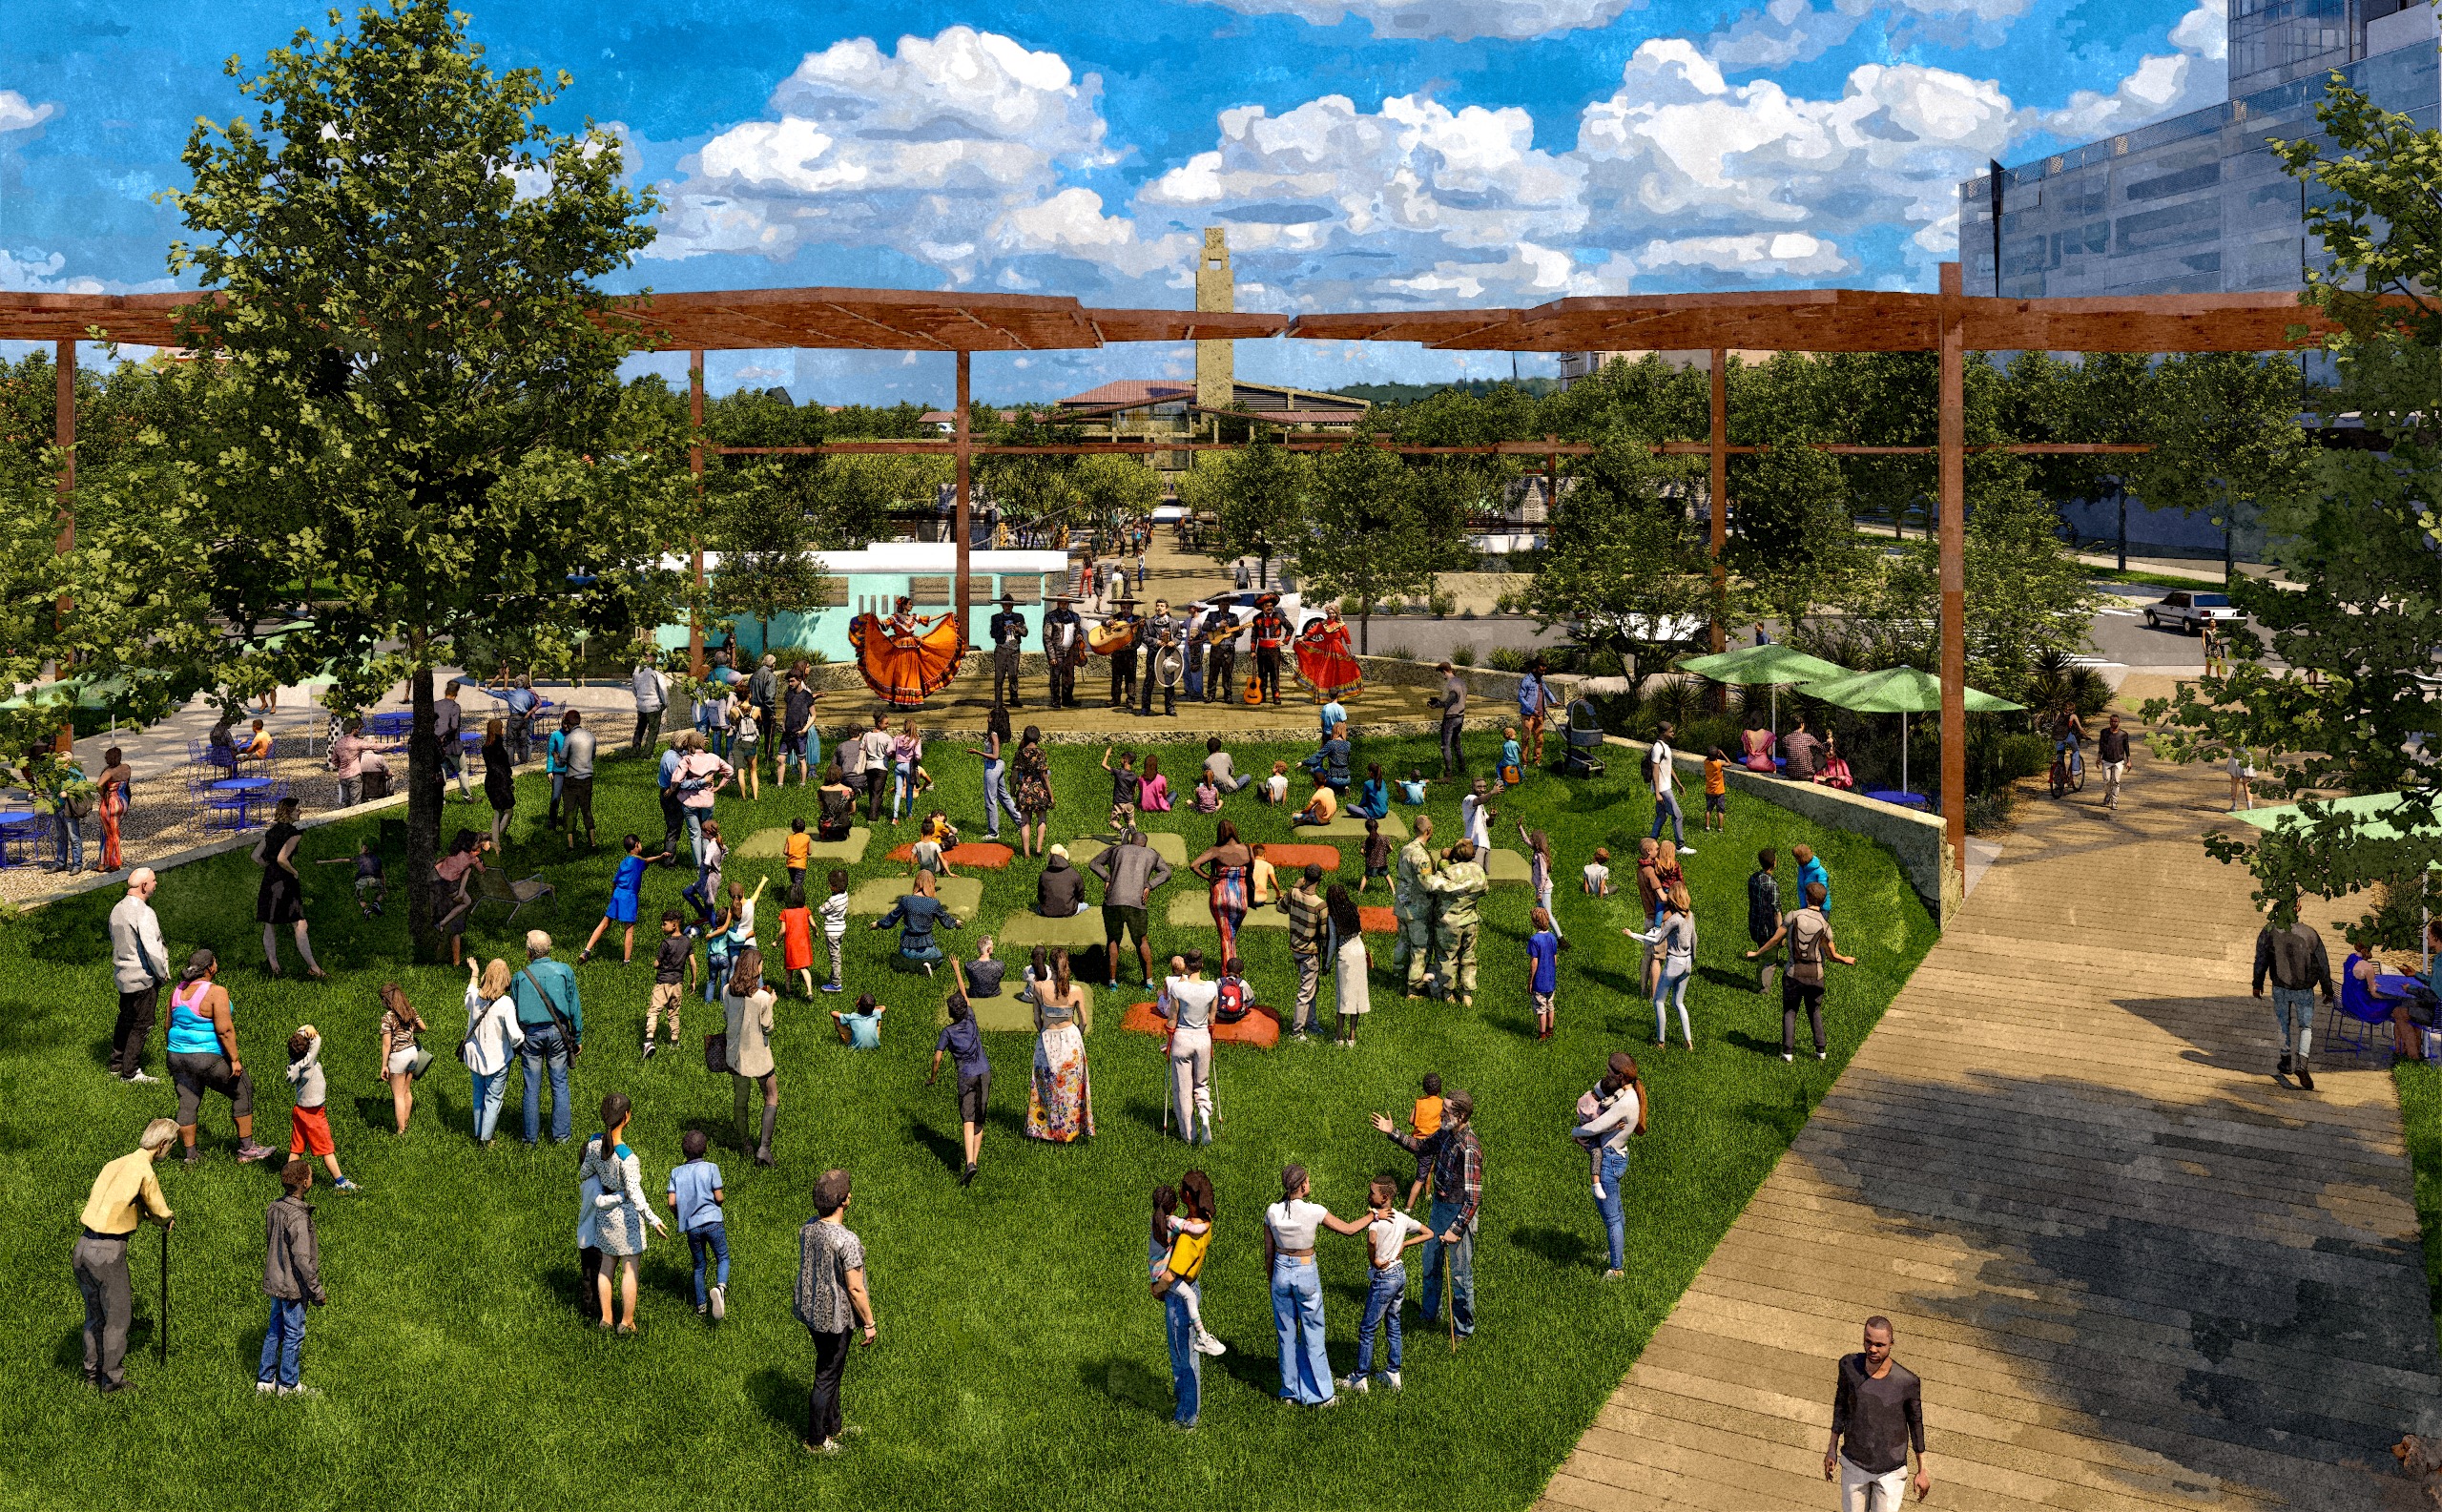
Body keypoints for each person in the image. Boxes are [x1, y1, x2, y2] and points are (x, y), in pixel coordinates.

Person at [73, 1118, 178, 1392]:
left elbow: (116, 1201)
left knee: (94, 1315)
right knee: (118, 1319)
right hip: (108, 1252)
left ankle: (91, 1376)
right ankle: (112, 1381)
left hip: (83, 1246)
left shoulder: (115, 1163)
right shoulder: (145, 1171)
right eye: (172, 1146)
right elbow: (160, 1210)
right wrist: (166, 1219)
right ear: (163, 1145)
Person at [1372, 1087, 1481, 1338]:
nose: (1441, 1113)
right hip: (1439, 1208)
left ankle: (1463, 1329)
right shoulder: (1444, 1133)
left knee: (1460, 1275)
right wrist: (1393, 1132)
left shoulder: (1470, 1148)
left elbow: (1474, 1198)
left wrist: (1456, 1230)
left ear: (1461, 1115)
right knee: (1430, 1263)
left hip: (1458, 1212)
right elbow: (1421, 1147)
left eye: (1446, 1110)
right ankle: (1430, 1314)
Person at [1262, 1164, 1368, 1406]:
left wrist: (1272, 1282)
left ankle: (1289, 1391)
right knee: (1313, 1332)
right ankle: (1320, 1395)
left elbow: (1268, 1253)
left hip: (1280, 1271)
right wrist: (1372, 1216)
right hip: (1305, 1270)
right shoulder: (1315, 1211)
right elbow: (1349, 1230)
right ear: (1303, 1186)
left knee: (1286, 1334)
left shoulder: (1272, 1211)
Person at [165, 949, 277, 1165]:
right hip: (205, 1057)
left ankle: (191, 1157)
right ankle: (247, 1150)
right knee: (242, 1089)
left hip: (176, 1055)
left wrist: (176, 1053)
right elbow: (225, 1030)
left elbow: (168, 1025)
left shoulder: (177, 991)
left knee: (188, 1102)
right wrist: (234, 1059)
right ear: (209, 968)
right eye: (215, 961)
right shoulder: (216, 992)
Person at [795, 1168, 877, 1454]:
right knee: (827, 1375)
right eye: (848, 1192)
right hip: (835, 1319)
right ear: (844, 1201)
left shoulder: (808, 1227)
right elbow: (855, 1289)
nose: (851, 1194)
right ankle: (817, 1441)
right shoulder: (848, 1240)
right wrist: (869, 1323)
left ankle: (835, 1426)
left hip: (811, 1312)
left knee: (832, 1369)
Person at [1825, 1315, 1932, 1507]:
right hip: (1854, 1465)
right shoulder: (1848, 1366)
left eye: (1880, 1344)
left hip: (1890, 1472)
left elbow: (1916, 1424)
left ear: (1891, 1343)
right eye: (1868, 1342)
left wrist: (1922, 1469)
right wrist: (1831, 1449)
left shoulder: (1907, 1382)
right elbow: (1840, 1406)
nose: (1872, 1349)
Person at [582, 1091, 666, 1333]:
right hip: (627, 1219)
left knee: (606, 1267)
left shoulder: (594, 1143)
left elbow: (585, 1171)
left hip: (605, 1216)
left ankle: (606, 1319)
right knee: (629, 1268)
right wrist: (653, 1219)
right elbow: (634, 1192)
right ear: (627, 1117)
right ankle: (626, 1322)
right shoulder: (628, 1158)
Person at [1746, 880, 1855, 1062]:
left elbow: (1774, 940)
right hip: (1816, 976)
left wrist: (1757, 953)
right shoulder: (1825, 927)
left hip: (1793, 974)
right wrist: (1846, 960)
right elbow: (1832, 955)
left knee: (1790, 1011)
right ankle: (1821, 1050)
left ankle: (1787, 1053)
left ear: (1807, 898)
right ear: (1822, 901)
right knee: (1814, 1011)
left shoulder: (1793, 916)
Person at [1342, 1174, 1429, 1394]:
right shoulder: (1401, 1218)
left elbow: (1371, 1241)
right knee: (1394, 1323)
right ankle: (1393, 1373)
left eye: (1372, 1192)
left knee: (1367, 1328)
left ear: (1385, 1197)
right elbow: (1428, 1233)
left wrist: (1374, 1260)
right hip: (1400, 1274)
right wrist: (1405, 1244)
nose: (1368, 1195)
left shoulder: (1376, 1220)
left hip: (1384, 1278)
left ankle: (1360, 1378)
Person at [257, 1158, 329, 1396]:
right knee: (294, 1333)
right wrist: (316, 1291)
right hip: (293, 1287)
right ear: (305, 1183)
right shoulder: (299, 1217)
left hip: (275, 1279)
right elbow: (301, 1260)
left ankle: (265, 1381)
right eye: (310, 1175)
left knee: (274, 1329)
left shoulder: (274, 1207)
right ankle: (288, 1384)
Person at [1572, 1052, 1646, 1278]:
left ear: (1621, 1076)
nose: (1606, 1076)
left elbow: (1595, 1127)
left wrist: (1575, 1132)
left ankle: (1616, 1269)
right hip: (1618, 1156)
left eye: (1609, 1072)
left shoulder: (1625, 1102)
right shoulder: (1627, 1093)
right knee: (1618, 1211)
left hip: (1608, 1161)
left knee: (1611, 1218)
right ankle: (1617, 1252)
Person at [511, 930, 583, 1145]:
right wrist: (576, 1037)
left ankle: (529, 1139)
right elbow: (575, 1006)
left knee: (531, 1087)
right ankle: (561, 1137)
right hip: (558, 1032)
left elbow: (513, 1010)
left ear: (529, 953)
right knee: (560, 1084)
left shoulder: (520, 976)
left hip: (530, 1035)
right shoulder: (564, 971)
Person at [2253, 905, 2332, 1089]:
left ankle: (2285, 1060)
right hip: (2304, 988)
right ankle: (2302, 1064)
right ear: (2297, 909)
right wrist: (2327, 988)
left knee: (2283, 1022)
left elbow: (2261, 959)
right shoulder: (2310, 933)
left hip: (2280, 985)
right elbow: (2322, 964)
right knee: (2306, 1027)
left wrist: (2257, 983)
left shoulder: (2269, 931)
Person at [1088, 824, 1173, 990]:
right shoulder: (1152, 854)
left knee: (1113, 939)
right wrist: (1149, 885)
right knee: (1142, 941)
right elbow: (1166, 872)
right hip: (1137, 903)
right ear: (1144, 844)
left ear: (1130, 841)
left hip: (1113, 901)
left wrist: (1107, 877)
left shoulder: (1116, 849)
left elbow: (1094, 863)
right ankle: (1148, 982)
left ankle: (1112, 982)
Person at [251, 798, 325, 981]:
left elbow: (255, 856)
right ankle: (313, 967)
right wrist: (295, 872)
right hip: (285, 882)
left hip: (269, 880)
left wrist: (266, 866)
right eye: (298, 810)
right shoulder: (294, 833)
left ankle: (274, 966)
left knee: (269, 924)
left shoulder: (271, 832)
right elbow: (282, 859)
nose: (300, 812)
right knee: (300, 923)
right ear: (289, 812)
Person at [1150, 1175, 1224, 1359]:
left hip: (1178, 1297)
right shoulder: (1203, 1219)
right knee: (1190, 1361)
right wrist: (1207, 1223)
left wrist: (1156, 1290)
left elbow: (1169, 1277)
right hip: (1192, 1283)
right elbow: (1193, 1226)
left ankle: (1204, 1337)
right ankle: (1203, 1338)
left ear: (1188, 1195)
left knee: (1183, 1364)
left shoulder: (1185, 1238)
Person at [925, 990, 994, 1184]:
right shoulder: (971, 1018)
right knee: (979, 1119)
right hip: (984, 1074)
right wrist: (957, 970)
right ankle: (974, 1161)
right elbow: (965, 993)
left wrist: (933, 1078)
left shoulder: (948, 1032)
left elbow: (937, 1057)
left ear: (950, 1013)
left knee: (967, 1119)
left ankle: (970, 1162)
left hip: (966, 1077)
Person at [108, 868, 169, 1085]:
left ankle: (116, 1064)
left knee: (125, 1020)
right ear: (144, 886)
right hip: (142, 977)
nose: (155, 884)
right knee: (142, 1024)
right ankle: (130, 1072)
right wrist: (162, 973)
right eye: (153, 881)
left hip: (123, 975)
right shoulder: (144, 913)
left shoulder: (117, 909)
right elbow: (152, 949)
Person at [668, 1128, 730, 1321]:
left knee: (699, 1265)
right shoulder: (711, 1168)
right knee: (722, 1257)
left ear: (684, 1151)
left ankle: (701, 1306)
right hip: (713, 1221)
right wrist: (717, 1201)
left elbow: (671, 1202)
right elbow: (719, 1198)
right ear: (705, 1149)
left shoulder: (676, 1172)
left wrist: (680, 1215)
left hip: (692, 1226)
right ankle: (720, 1288)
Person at [727, 947, 781, 1166]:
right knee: (771, 1096)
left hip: (735, 1056)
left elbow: (726, 1015)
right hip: (758, 1056)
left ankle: (745, 1143)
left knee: (741, 1101)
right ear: (755, 969)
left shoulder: (725, 991)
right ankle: (764, 1149)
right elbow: (768, 1028)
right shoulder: (762, 998)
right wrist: (772, 1002)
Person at [579, 834, 671, 965]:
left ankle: (586, 951)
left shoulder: (624, 861)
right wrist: (661, 857)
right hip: (629, 897)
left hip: (617, 894)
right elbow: (647, 860)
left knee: (604, 923)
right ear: (637, 845)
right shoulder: (638, 861)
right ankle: (626, 961)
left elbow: (614, 881)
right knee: (629, 929)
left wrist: (612, 896)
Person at [1627, 883, 1698, 1050]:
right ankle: (1688, 1041)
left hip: (1674, 963)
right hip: (1687, 964)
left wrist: (1633, 935)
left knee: (1659, 1001)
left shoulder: (1674, 919)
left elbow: (1656, 940)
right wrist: (1692, 959)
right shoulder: (1690, 916)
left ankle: (1660, 1042)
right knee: (1679, 1003)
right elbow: (1694, 939)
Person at [462, 958, 524, 1146]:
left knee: (478, 1096)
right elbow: (514, 1036)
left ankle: (477, 1132)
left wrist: (474, 972)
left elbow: (469, 992)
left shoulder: (475, 998)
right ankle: (485, 1139)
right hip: (498, 1060)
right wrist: (524, 1039)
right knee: (493, 1099)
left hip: (474, 1058)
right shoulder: (505, 1003)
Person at [1160, 951, 1218, 1145]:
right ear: (1202, 965)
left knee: (1183, 1090)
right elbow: (1212, 1019)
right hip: (1202, 1038)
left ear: (1186, 966)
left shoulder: (1178, 989)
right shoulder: (1212, 988)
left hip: (1182, 1039)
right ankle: (1204, 1112)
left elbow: (1172, 1020)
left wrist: (1168, 1044)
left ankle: (1188, 1136)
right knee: (1202, 1084)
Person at [1425, 838, 1490, 1007]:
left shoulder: (1450, 872)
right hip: (1470, 922)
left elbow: (1432, 885)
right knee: (1468, 957)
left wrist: (1442, 865)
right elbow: (1485, 889)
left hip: (1449, 924)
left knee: (1447, 958)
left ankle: (1448, 993)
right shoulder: (1479, 871)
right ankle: (1467, 994)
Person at [871, 869, 960, 976]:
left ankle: (909, 963)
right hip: (927, 950)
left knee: (905, 956)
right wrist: (955, 922)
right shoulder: (934, 903)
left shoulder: (906, 900)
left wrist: (878, 923)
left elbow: (892, 918)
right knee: (939, 957)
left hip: (906, 949)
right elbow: (946, 921)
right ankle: (926, 964)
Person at [1394, 817, 1438, 999]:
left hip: (1402, 905)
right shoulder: (1421, 856)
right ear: (1429, 831)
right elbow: (1426, 884)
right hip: (1417, 909)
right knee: (1420, 948)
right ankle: (1414, 987)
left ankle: (1398, 976)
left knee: (1403, 942)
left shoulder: (1406, 849)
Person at [375, 983, 427, 1134]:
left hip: (398, 1056)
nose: (382, 1003)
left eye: (382, 1000)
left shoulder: (388, 1017)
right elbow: (423, 1027)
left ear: (388, 1000)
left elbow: (386, 1044)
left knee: (397, 1095)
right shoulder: (410, 1011)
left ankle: (401, 1130)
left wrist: (384, 1065)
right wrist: (411, 1030)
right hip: (413, 1053)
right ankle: (405, 1122)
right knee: (406, 1091)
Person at [1327, 884, 1372, 1048]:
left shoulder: (1333, 915)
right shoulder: (1353, 907)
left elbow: (1332, 942)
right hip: (1359, 951)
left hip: (1345, 954)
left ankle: (1339, 1037)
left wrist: (1327, 964)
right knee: (1357, 996)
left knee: (1343, 997)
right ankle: (1352, 1037)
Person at [970, 707, 1024, 842]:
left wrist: (977, 752)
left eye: (989, 716)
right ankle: (1020, 822)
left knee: (990, 800)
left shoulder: (993, 734)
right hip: (999, 766)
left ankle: (993, 833)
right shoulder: (997, 733)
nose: (987, 718)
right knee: (1003, 796)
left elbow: (995, 755)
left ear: (993, 719)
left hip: (992, 767)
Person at [1292, 604, 1362, 703]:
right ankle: (1322, 696)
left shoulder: (1341, 625)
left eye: (1333, 613)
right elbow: (1312, 632)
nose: (1332, 615)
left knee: (1340, 673)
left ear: (1336, 613)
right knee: (1324, 673)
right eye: (1330, 613)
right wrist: (1302, 638)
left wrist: (1351, 652)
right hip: (1325, 651)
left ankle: (1338, 696)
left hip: (1338, 651)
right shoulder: (1323, 624)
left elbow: (1347, 640)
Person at [1648, 722, 1691, 854]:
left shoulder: (1665, 747)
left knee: (1661, 816)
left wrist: (1678, 783)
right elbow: (1655, 770)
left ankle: (1651, 842)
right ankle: (1680, 846)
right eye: (1671, 731)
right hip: (1662, 789)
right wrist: (1657, 793)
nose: (1673, 733)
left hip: (1665, 786)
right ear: (1663, 733)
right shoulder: (1657, 748)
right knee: (1677, 815)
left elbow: (1668, 767)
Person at [1012, 725, 1055, 858]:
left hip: (1025, 789)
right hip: (1039, 790)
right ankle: (1038, 849)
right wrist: (1051, 795)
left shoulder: (1020, 753)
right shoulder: (1041, 753)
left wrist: (1013, 788)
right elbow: (1044, 776)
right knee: (1041, 818)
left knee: (1025, 821)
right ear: (1038, 738)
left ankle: (1026, 853)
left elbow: (1014, 773)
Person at [1403, 1072, 1443, 1212]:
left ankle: (1428, 1194)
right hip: (1433, 1142)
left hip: (1418, 1142)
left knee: (1427, 1167)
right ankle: (1408, 1208)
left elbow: (1411, 1120)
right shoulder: (1442, 1104)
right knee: (1421, 1176)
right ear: (1440, 1089)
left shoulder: (1419, 1101)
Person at [1525, 905, 1565, 1041]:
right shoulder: (1553, 938)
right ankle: (1550, 1030)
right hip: (1550, 980)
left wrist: (1531, 980)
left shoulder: (1534, 940)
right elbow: (1554, 959)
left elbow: (1534, 963)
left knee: (1541, 1008)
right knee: (1550, 1005)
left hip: (1539, 982)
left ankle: (1542, 1035)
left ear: (1534, 922)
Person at [560, 712, 599, 849]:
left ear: (568, 724)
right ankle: (593, 842)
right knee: (586, 809)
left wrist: (556, 757)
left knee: (570, 810)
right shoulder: (591, 736)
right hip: (587, 779)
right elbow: (593, 756)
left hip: (572, 779)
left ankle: (570, 843)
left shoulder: (569, 738)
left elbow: (562, 760)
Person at [478, 717, 517, 853]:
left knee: (497, 812)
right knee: (508, 810)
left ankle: (496, 841)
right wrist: (509, 781)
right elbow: (503, 767)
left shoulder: (486, 747)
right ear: (500, 730)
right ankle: (496, 839)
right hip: (500, 782)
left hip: (490, 782)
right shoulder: (499, 747)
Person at [1748, 847, 1783, 992]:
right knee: (1769, 959)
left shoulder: (1753, 878)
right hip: (1768, 929)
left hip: (1755, 923)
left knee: (1763, 951)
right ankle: (1763, 988)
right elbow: (1776, 912)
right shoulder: (1772, 885)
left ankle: (1759, 978)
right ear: (1774, 863)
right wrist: (1781, 934)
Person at [93, 745, 132, 873]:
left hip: (111, 802)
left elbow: (98, 785)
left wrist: (103, 793)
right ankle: (104, 862)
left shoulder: (109, 772)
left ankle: (113, 862)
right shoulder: (126, 768)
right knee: (112, 832)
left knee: (109, 834)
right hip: (123, 801)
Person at [1044, 592, 1086, 709]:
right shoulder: (1050, 617)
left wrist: (1079, 636)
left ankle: (1068, 700)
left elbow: (1079, 632)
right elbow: (1047, 637)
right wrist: (1051, 656)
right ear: (1058, 603)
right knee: (1055, 677)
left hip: (1070, 652)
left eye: (1066, 602)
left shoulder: (1075, 616)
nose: (1064, 604)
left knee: (1069, 678)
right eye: (1061, 602)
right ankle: (1056, 700)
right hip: (1057, 651)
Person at [1251, 592, 1291, 704]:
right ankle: (1261, 695)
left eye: (1271, 606)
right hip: (1262, 649)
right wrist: (1253, 651)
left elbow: (1290, 628)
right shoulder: (1257, 618)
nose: (1269, 608)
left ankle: (1276, 696)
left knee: (1274, 672)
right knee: (1262, 673)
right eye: (1267, 606)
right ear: (1262, 607)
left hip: (1274, 650)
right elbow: (1254, 636)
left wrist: (1284, 641)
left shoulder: (1278, 616)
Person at [1518, 655, 1554, 767]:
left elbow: (1547, 691)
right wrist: (1532, 710)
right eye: (1542, 668)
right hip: (1528, 715)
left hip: (1540, 714)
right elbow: (1521, 697)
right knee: (1526, 738)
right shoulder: (1527, 680)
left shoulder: (1541, 680)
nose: (1544, 671)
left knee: (1540, 740)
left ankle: (1537, 761)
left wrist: (1554, 701)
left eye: (1545, 668)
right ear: (1535, 668)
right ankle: (1524, 763)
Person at [1436, 662, 1469, 777]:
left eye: (1441, 674)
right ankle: (1462, 768)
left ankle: (1448, 774)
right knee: (1457, 744)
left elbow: (1448, 701)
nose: (1442, 677)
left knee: (1445, 745)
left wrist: (1436, 705)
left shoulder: (1450, 684)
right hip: (1461, 716)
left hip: (1451, 717)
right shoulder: (1461, 682)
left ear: (1444, 672)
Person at [1203, 600, 1239, 707]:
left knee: (1228, 673)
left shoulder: (1234, 617)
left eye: (1227, 604)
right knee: (1213, 672)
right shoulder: (1212, 615)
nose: (1225, 606)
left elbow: (1239, 633)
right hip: (1216, 648)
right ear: (1219, 605)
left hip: (1229, 648)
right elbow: (1205, 627)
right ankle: (1211, 694)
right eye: (1223, 604)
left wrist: (1237, 630)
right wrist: (1218, 625)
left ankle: (1228, 695)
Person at [2098, 711, 2133, 812]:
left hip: (2119, 760)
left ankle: (2114, 800)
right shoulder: (2104, 732)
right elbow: (2101, 745)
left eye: (2115, 721)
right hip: (2107, 760)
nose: (2114, 723)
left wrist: (2129, 761)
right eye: (2112, 721)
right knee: (2107, 780)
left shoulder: (2123, 734)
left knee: (2116, 781)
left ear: (2119, 722)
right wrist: (2098, 757)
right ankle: (2108, 794)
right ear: (2109, 722)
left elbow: (2127, 748)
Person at [503, 673, 540, 765]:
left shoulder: (531, 692)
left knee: (527, 739)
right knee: (520, 740)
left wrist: (530, 712)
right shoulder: (519, 692)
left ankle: (526, 760)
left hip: (529, 718)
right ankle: (522, 759)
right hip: (520, 719)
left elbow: (538, 703)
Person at [1459, 776, 1495, 856]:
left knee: (1485, 869)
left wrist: (1492, 817)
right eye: (1479, 787)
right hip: (1474, 843)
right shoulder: (1469, 799)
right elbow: (1480, 800)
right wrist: (1492, 792)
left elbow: (1489, 824)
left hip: (1484, 844)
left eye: (1484, 787)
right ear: (1472, 787)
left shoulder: (1480, 805)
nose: (1482, 789)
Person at [1794, 843, 1832, 917]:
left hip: (1820, 909)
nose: (1795, 860)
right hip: (1806, 907)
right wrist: (1803, 906)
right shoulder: (1801, 869)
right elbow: (1800, 888)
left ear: (1802, 858)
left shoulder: (1821, 872)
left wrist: (1814, 910)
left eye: (1797, 858)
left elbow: (1822, 894)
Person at [1782, 717, 1822, 781]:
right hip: (1807, 775)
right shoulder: (1808, 737)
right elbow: (1821, 747)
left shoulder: (1785, 739)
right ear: (1802, 724)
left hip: (1791, 774)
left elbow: (1785, 753)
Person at [1358, 817, 1392, 895]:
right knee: (1387, 876)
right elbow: (1391, 848)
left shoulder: (1367, 840)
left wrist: (1366, 855)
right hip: (1382, 862)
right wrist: (1385, 853)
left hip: (1371, 863)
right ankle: (1393, 891)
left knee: (1366, 876)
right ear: (1378, 826)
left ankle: (1360, 892)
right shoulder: (1384, 838)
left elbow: (1362, 851)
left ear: (1367, 829)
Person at [1703, 747, 1729, 829]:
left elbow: (1708, 757)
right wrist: (1722, 753)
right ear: (1717, 755)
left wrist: (1715, 754)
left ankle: (1707, 826)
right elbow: (1729, 763)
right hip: (1719, 791)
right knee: (1720, 810)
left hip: (1709, 791)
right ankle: (1720, 828)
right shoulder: (1719, 764)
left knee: (1709, 809)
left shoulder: (1706, 762)